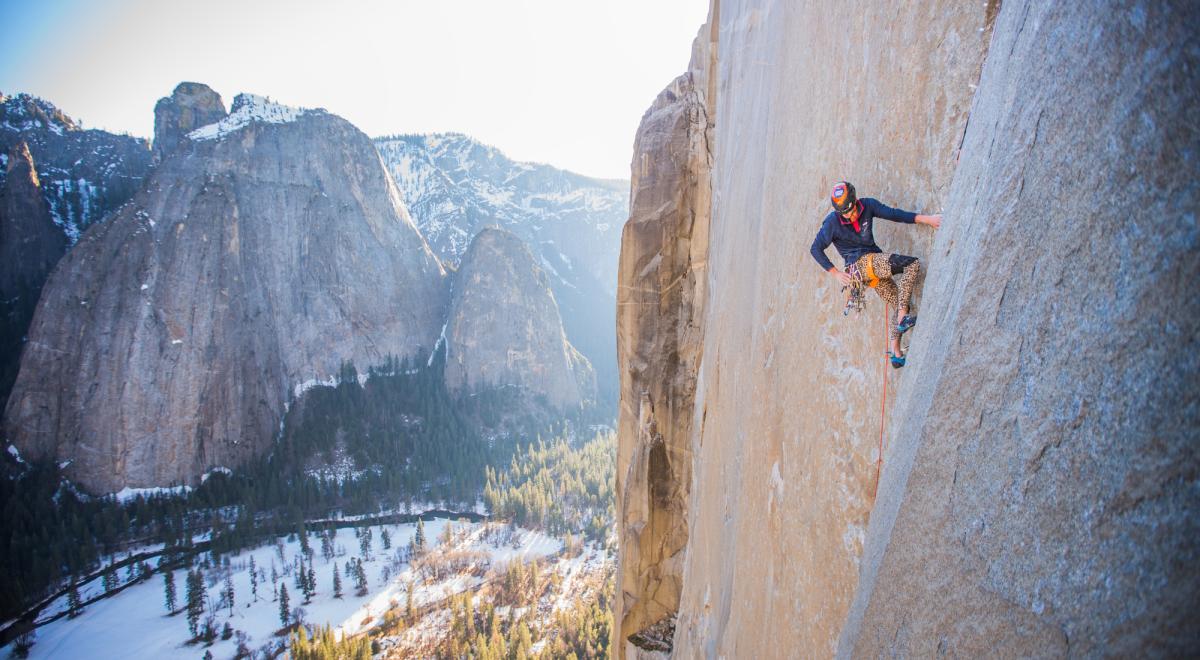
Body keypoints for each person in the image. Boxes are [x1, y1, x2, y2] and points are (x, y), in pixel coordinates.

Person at [810, 181, 941, 367]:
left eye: (851, 209)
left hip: (873, 266)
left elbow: (895, 215)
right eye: (844, 212)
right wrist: (836, 273)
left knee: (900, 303)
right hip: (860, 268)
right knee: (912, 264)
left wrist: (927, 219)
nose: (850, 215)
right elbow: (815, 249)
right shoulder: (832, 223)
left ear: (855, 200)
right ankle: (903, 320)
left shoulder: (868, 206)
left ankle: (896, 352)